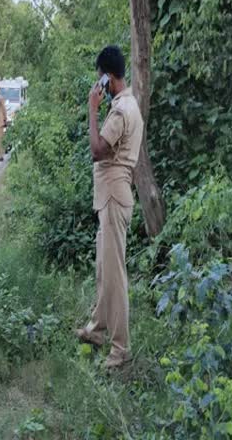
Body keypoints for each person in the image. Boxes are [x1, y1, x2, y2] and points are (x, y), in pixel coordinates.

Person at [76, 45, 144, 369]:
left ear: (107, 77)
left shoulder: (119, 111)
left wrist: (92, 109)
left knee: (114, 275)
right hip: (112, 196)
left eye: (99, 77)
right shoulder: (126, 104)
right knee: (104, 268)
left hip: (114, 197)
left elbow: (97, 149)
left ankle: (121, 349)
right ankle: (97, 329)